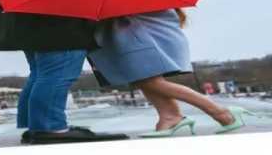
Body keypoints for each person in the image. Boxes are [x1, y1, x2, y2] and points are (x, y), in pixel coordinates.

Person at [87, 8, 250, 136]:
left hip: (143, 39)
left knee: (150, 82)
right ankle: (170, 116)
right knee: (143, 80)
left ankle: (220, 112)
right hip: (140, 37)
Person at [0, 2, 128, 145]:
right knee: (58, 75)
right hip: (60, 24)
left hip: (31, 22)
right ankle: (50, 127)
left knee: (41, 75)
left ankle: (38, 126)